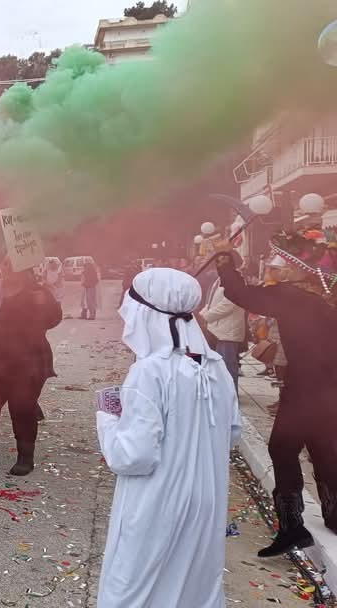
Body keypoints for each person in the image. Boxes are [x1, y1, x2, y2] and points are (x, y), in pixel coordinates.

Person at [96, 268, 240, 607]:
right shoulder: (216, 366)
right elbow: (232, 432)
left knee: (133, 588)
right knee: (194, 588)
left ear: (145, 315)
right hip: (206, 500)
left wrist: (107, 416)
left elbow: (133, 456)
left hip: (157, 501)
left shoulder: (148, 371)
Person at [215, 231, 337, 556]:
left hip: (305, 388)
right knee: (324, 449)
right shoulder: (328, 293)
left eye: (283, 264)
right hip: (330, 388)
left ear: (297, 268)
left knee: (282, 449)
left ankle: (292, 527)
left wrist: (225, 260)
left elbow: (241, 293)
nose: (278, 269)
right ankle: (334, 514)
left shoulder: (291, 296)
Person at [0, 261, 61, 475]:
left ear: (23, 266)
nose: (6, 268)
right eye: (4, 264)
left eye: (11, 264)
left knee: (22, 408)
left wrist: (43, 305)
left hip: (28, 360)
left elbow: (54, 319)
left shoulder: (37, 291)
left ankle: (25, 458)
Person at [199, 250, 246, 389]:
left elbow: (229, 303)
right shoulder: (221, 278)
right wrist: (202, 314)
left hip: (227, 330)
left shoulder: (237, 278)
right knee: (218, 367)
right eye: (218, 260)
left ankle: (230, 396)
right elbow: (212, 300)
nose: (220, 263)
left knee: (227, 367)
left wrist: (207, 316)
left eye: (224, 260)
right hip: (217, 329)